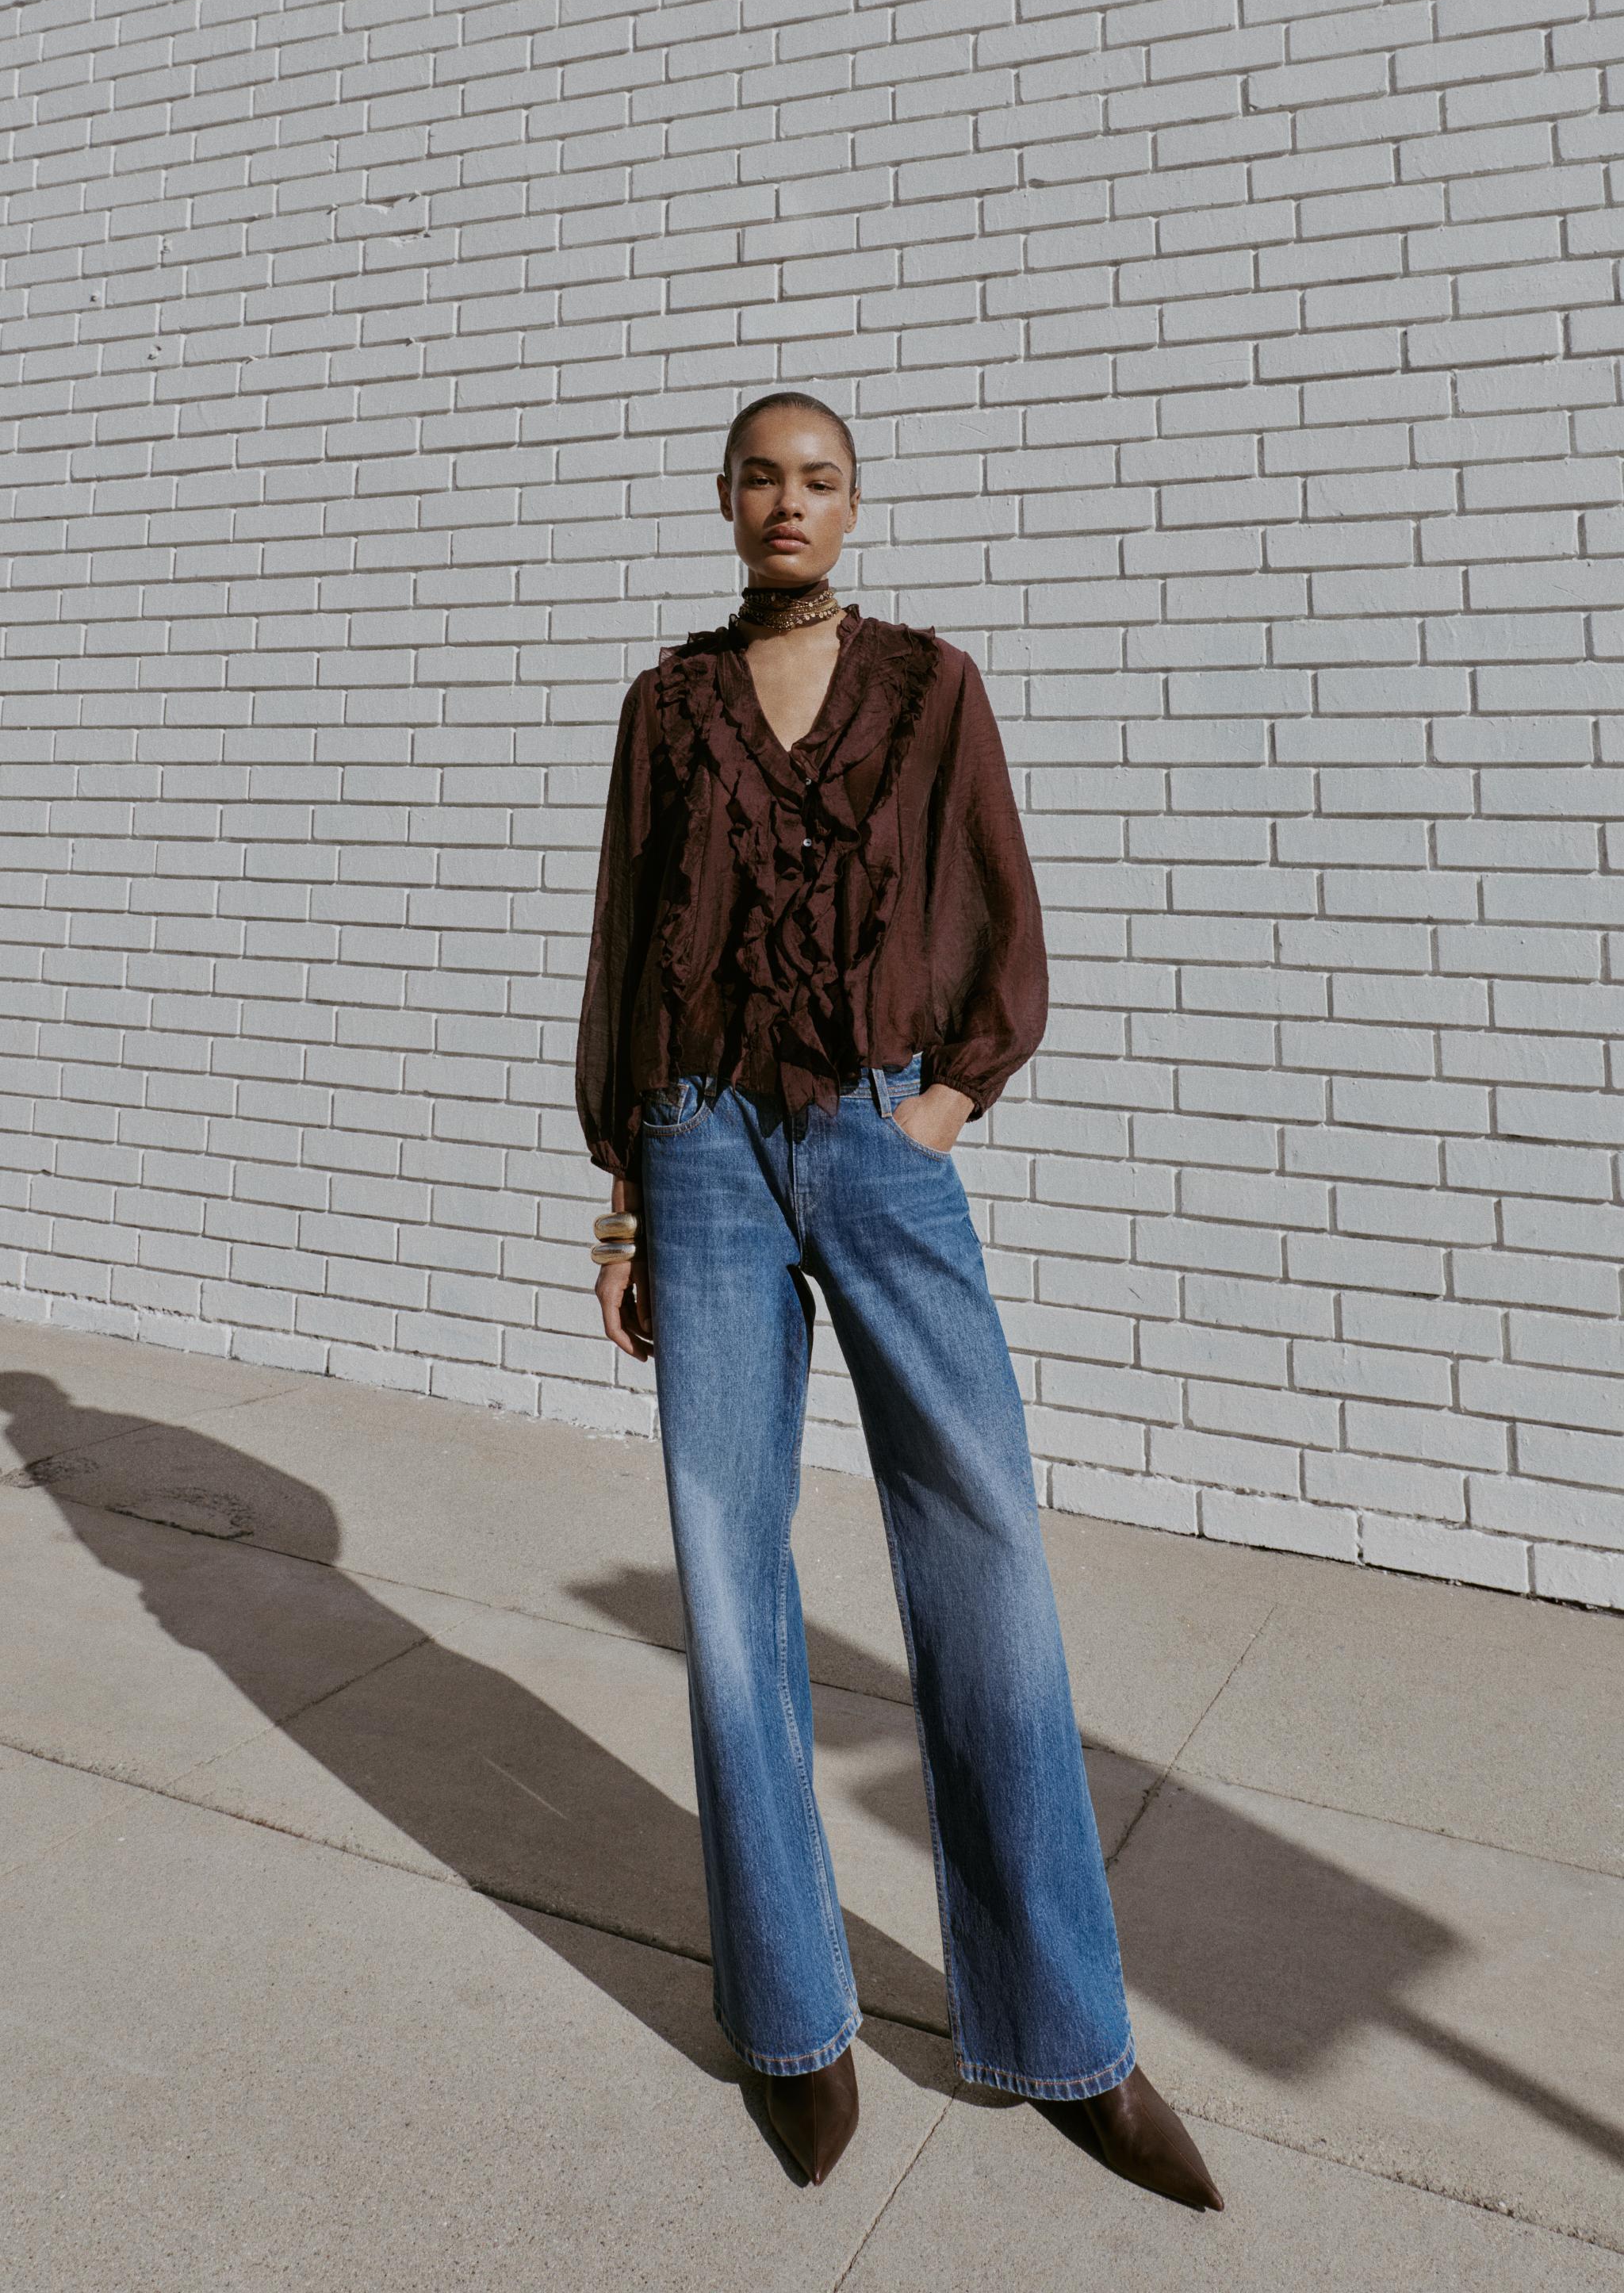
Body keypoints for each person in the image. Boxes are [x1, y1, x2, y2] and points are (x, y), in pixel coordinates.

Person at [573, 391, 1222, 2213]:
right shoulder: (666, 705)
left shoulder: (932, 687)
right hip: (696, 1149)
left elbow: (1005, 904)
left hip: (875, 1136)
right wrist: (624, 1198)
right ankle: (792, 2027)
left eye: (820, 477)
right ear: (722, 500)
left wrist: (949, 1099)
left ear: (856, 506)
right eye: (761, 475)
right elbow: (628, 938)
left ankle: (1061, 2034)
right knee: (727, 1573)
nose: (789, 501)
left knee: (984, 1551)